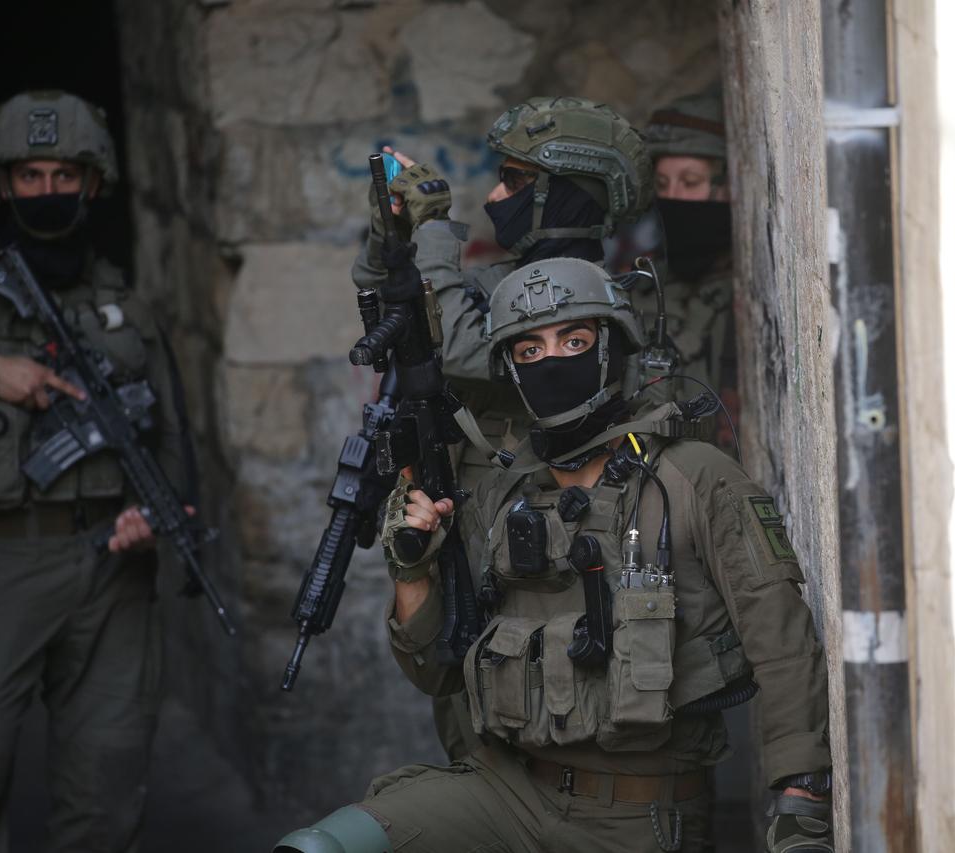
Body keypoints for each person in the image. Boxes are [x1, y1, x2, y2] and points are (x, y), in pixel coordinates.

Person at [276, 258, 834, 853]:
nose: (552, 362)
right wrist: (411, 568)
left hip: (637, 811)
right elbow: (437, 673)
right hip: (506, 792)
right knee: (321, 848)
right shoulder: (506, 491)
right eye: (529, 352)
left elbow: (782, 641)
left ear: (611, 346)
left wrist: (800, 798)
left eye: (574, 340)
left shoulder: (693, 479)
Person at [0, 90, 190, 852]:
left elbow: (173, 437)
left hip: (113, 571)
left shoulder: (126, 306)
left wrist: (159, 513)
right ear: (1, 184)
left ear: (94, 183)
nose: (49, 192)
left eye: (66, 174)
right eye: (30, 176)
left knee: (107, 781)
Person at [352, 95, 654, 761]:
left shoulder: (601, 296)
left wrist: (435, 228)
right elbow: (398, 311)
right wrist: (390, 234)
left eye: (514, 181)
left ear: (564, 192)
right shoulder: (500, 280)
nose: (495, 195)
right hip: (470, 531)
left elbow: (461, 347)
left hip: (545, 557)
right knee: (464, 718)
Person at [637, 89, 739, 431]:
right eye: (663, 184)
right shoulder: (647, 287)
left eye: (691, 182)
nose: (673, 199)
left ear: (727, 186)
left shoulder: (752, 294)